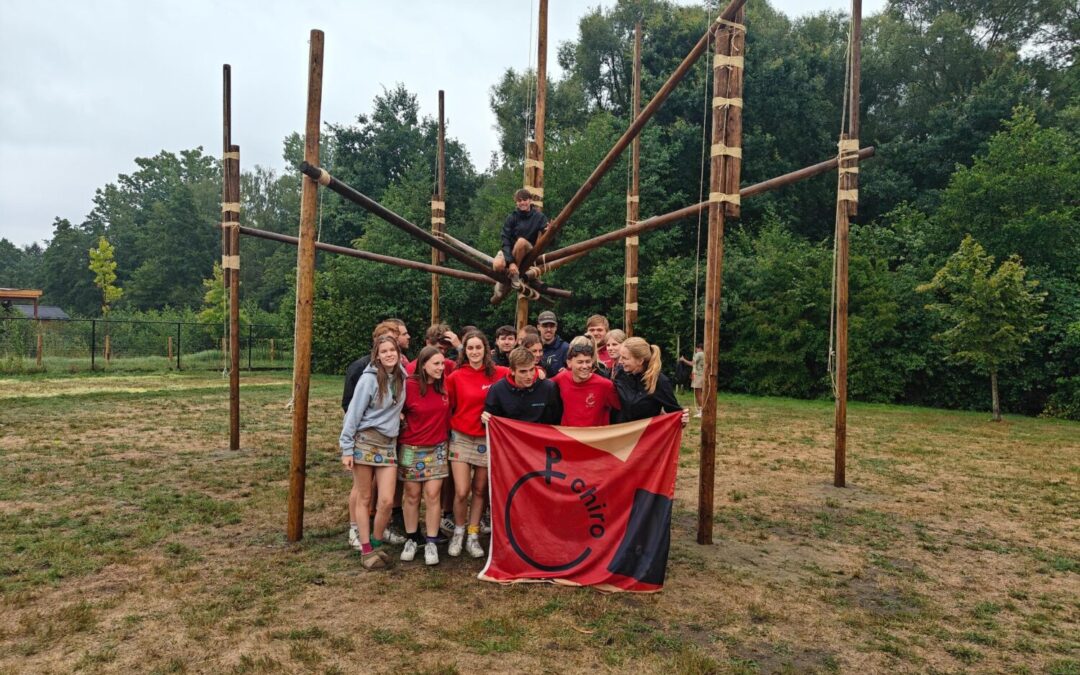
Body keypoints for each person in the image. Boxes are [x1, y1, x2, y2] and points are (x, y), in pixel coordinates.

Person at [340, 335, 408, 570]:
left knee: (387, 500)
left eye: (392, 350)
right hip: (365, 441)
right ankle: (367, 549)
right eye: (384, 351)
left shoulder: (401, 377)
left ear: (398, 353)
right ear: (377, 356)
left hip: (388, 444)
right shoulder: (368, 380)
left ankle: (377, 542)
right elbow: (353, 414)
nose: (389, 354)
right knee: (365, 497)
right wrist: (346, 448)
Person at [445, 331, 508, 558]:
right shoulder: (455, 377)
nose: (474, 352)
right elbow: (448, 406)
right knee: (462, 490)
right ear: (465, 350)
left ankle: (473, 535)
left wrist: (540, 371)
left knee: (480, 489)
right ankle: (458, 532)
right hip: (461, 437)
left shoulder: (498, 373)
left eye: (478, 347)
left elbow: (521, 372)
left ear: (486, 349)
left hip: (486, 438)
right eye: (470, 348)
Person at [398, 346, 451, 566]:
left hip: (437, 448)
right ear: (423, 364)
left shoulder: (445, 385)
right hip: (410, 448)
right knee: (411, 494)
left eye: (442, 363)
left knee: (433, 494)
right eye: (436, 364)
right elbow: (393, 407)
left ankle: (431, 540)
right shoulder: (408, 385)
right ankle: (412, 538)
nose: (441, 368)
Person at [613, 336, 688, 426]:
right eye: (620, 356)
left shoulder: (659, 382)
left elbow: (675, 413)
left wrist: (682, 418)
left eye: (625, 358)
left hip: (644, 433)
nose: (620, 361)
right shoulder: (620, 374)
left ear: (640, 361)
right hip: (618, 431)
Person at [491, 188, 548, 301]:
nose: (522, 203)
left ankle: (512, 277)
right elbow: (505, 240)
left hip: (528, 251)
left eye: (524, 200)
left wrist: (549, 231)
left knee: (521, 242)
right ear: (516, 202)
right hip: (511, 252)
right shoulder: (512, 218)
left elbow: (550, 240)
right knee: (497, 265)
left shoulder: (539, 217)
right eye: (519, 200)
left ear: (530, 200)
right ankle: (509, 276)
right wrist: (511, 262)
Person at [483, 347, 563, 424]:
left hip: (541, 432)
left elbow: (556, 421)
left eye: (531, 369)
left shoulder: (549, 388)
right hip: (510, 433)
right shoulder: (498, 390)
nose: (529, 376)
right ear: (512, 371)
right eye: (523, 371)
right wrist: (486, 419)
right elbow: (491, 421)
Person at [341, 319, 408, 412]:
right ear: (376, 341)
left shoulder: (400, 368)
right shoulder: (359, 367)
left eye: (395, 339)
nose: (390, 342)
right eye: (387, 338)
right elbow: (349, 404)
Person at [552, 336, 620, 427]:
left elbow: (621, 410)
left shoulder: (605, 385)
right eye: (580, 362)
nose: (585, 366)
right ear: (569, 363)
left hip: (594, 435)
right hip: (568, 434)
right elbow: (542, 387)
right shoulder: (562, 377)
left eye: (588, 362)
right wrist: (539, 370)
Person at [537, 310, 569, 378]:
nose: (549, 329)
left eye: (552, 326)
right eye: (545, 326)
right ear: (538, 327)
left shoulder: (565, 348)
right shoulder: (532, 346)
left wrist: (568, 371)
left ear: (556, 327)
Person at [679, 343, 706, 417]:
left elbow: (692, 364)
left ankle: (701, 411)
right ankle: (702, 410)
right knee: (699, 393)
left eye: (696, 348)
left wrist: (683, 359)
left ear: (698, 348)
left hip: (698, 376)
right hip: (701, 375)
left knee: (698, 393)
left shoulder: (699, 354)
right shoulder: (704, 354)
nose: (695, 350)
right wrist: (692, 373)